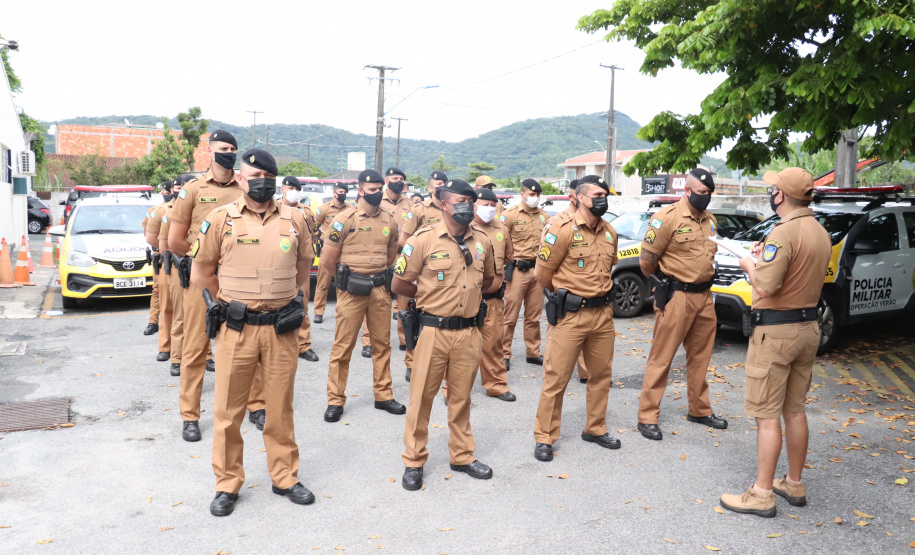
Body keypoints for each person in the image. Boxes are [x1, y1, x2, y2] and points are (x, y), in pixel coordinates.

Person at [191, 148, 315, 517]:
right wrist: (228, 305)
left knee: (280, 409)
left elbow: (304, 269)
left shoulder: (296, 220)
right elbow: (201, 273)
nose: (260, 181)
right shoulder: (219, 219)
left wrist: (295, 307)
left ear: (274, 180)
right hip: (237, 329)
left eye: (266, 176)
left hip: (281, 330)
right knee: (228, 412)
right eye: (252, 175)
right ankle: (227, 484)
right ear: (240, 179)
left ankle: (285, 477)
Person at [720, 168, 830, 517]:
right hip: (808, 327)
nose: (771, 194)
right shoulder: (819, 231)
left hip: (776, 332)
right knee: (794, 409)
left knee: (767, 416)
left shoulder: (783, 233)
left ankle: (762, 493)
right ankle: (793, 483)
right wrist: (762, 256)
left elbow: (765, 287)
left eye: (773, 189)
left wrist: (748, 265)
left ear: (781, 196)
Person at [392, 179, 496, 491]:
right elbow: (399, 285)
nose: (467, 206)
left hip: (469, 332)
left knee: (461, 398)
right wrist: (429, 295)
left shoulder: (483, 242)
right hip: (433, 331)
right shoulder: (423, 240)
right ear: (444, 204)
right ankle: (413, 460)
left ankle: (462, 455)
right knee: (421, 398)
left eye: (470, 201)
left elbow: (489, 280)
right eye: (460, 201)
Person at [168, 129, 263, 442]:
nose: (229, 152)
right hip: (202, 281)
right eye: (223, 147)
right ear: (209, 151)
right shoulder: (193, 190)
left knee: (247, 343)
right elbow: (174, 241)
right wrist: (204, 261)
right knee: (196, 347)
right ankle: (190, 416)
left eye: (233, 148)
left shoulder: (244, 188)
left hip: (239, 278)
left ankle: (256, 405)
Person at [533, 175, 621, 461]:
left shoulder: (610, 232)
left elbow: (608, 269)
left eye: (605, 193)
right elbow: (542, 274)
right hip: (571, 315)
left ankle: (595, 428)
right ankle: (545, 437)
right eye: (596, 194)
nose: (602, 198)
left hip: (603, 316)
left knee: (600, 376)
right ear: (580, 198)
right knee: (556, 378)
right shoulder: (560, 229)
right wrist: (560, 296)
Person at [636, 168, 727, 441]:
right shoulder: (665, 218)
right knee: (662, 358)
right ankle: (647, 416)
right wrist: (662, 282)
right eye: (701, 192)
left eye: (709, 193)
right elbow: (646, 262)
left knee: (701, 357)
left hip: (704, 297)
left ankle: (699, 409)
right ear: (686, 191)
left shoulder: (710, 220)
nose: (706, 197)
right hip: (676, 296)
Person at [320, 169, 404, 423]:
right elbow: (327, 260)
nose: (377, 193)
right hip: (351, 292)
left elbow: (391, 257)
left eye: (380, 188)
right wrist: (345, 282)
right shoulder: (344, 219)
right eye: (372, 189)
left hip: (379, 290)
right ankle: (335, 400)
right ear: (360, 190)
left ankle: (383, 395)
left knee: (382, 346)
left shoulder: (389, 220)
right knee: (342, 348)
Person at [442, 187, 515, 402]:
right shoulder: (462, 228)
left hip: (492, 300)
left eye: (493, 206)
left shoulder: (501, 228)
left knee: (493, 344)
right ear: (474, 206)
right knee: (458, 348)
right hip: (464, 299)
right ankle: (452, 390)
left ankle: (496, 385)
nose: (490, 209)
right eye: (485, 205)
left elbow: (509, 258)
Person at [397, 170, 448, 382]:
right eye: (438, 183)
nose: (441, 185)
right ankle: (411, 363)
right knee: (411, 319)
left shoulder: (451, 207)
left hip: (444, 271)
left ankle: (439, 365)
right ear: (429, 187)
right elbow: (404, 240)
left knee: (439, 319)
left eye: (444, 182)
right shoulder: (418, 210)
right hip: (419, 270)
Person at [501, 178, 549, 370]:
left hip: (537, 271)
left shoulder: (545, 217)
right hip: (517, 270)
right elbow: (500, 242)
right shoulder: (509, 215)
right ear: (522, 194)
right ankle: (504, 353)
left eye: (537, 195)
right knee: (510, 315)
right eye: (531, 195)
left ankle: (533, 352)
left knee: (533, 316)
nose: (534, 198)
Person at [279, 176, 319, 362]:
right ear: (282, 189)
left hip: (300, 263)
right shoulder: (274, 209)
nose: (294, 191)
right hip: (279, 263)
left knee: (302, 303)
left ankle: (304, 345)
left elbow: (313, 235)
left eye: (297, 188)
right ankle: (280, 344)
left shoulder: (306, 212)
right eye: (290, 188)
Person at [382, 167, 414, 353]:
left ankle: (404, 338)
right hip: (383, 256)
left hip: (404, 256)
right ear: (386, 181)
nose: (399, 181)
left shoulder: (410, 204)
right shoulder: (377, 201)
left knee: (404, 300)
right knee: (379, 298)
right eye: (395, 178)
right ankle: (369, 341)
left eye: (401, 178)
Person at [157, 178, 186, 378]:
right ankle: (176, 358)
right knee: (179, 315)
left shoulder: (206, 214)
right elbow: (161, 245)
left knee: (203, 317)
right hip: (178, 267)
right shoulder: (169, 213)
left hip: (201, 268)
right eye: (179, 188)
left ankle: (207, 355)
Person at [312, 182, 351, 324]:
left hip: (344, 251)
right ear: (335, 193)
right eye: (341, 191)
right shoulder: (324, 209)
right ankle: (318, 312)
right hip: (327, 250)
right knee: (323, 282)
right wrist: (319, 238)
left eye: (345, 191)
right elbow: (314, 226)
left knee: (343, 282)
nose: (343, 194)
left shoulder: (350, 210)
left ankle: (342, 311)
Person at [142, 181, 171, 352]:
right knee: (157, 290)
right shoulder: (154, 211)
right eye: (166, 191)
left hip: (172, 255)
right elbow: (147, 234)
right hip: (159, 255)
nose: (168, 194)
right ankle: (153, 321)